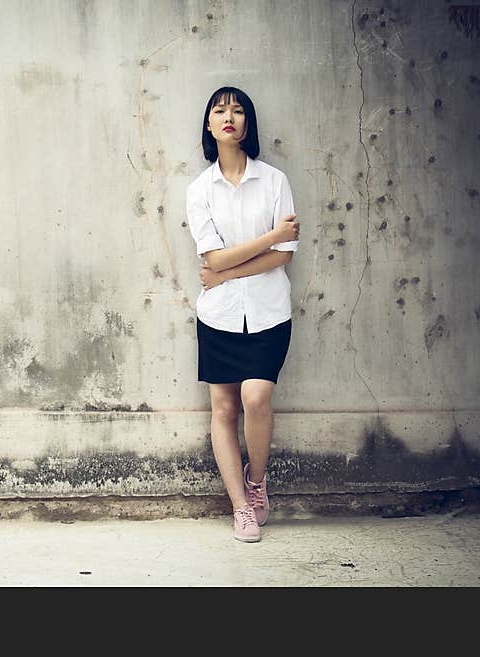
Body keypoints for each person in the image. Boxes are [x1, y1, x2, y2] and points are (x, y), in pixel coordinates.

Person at [186, 86, 300, 542]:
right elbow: (211, 259)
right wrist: (267, 237)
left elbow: (285, 253)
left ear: (247, 125)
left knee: (255, 398)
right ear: (210, 126)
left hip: (269, 312)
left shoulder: (274, 181)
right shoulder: (199, 191)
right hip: (219, 317)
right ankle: (241, 508)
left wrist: (229, 269)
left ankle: (257, 481)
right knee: (223, 408)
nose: (228, 116)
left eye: (237, 110)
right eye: (219, 110)